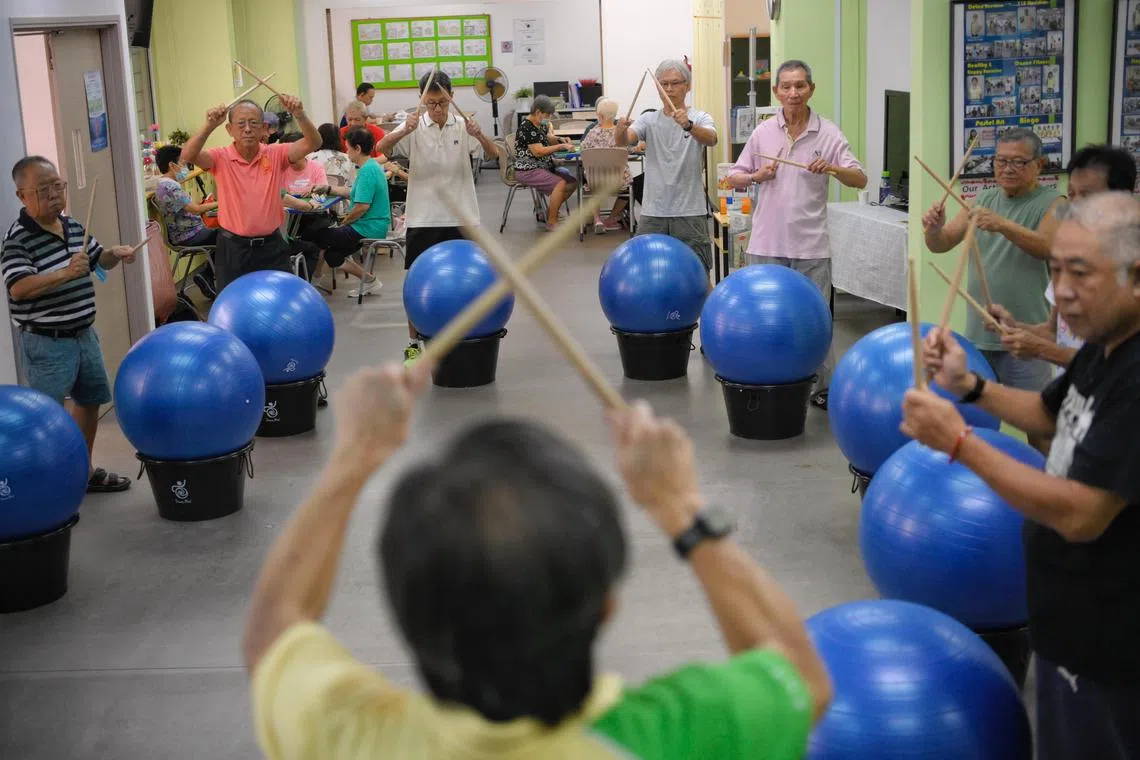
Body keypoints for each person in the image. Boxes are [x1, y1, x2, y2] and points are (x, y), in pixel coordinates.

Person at [242, 362, 832, 760]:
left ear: (407, 619)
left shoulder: (359, 739)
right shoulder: (669, 736)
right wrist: (678, 505)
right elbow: (803, 677)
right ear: (607, 606)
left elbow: (274, 631)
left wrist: (356, 455)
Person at [903, 191, 1140, 760]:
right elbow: (1048, 414)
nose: (1059, 291)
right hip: (1069, 628)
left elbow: (1082, 514)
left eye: (1079, 273)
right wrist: (969, 388)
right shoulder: (1104, 346)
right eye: (1055, 269)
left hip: (1116, 648)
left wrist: (958, 441)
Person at [727, 59, 867, 411]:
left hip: (811, 247)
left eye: (800, 86)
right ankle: (768, 379)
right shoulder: (763, 133)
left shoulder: (829, 133)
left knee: (813, 322)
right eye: (786, 87)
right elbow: (734, 177)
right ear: (776, 91)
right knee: (765, 319)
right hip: (766, 244)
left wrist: (833, 168)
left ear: (811, 89)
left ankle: (819, 388)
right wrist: (758, 176)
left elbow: (860, 178)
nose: (793, 93)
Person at [1, 156, 138, 493]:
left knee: (89, 401)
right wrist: (65, 273)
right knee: (45, 416)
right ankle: (49, 485)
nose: (54, 194)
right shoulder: (18, 238)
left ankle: (83, 470)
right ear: (22, 196)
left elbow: (95, 260)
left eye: (57, 186)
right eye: (43, 189)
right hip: (47, 342)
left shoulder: (73, 225)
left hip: (83, 333)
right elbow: (17, 288)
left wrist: (114, 254)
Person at [921, 128, 1062, 401]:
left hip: (1027, 338)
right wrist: (933, 229)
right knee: (975, 415)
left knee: (1040, 422)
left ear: (1039, 165)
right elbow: (940, 244)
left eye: (1018, 162)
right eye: (1000, 161)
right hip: (978, 335)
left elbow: (1049, 247)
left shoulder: (1054, 203)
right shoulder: (983, 199)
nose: (1007, 169)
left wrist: (1003, 225)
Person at [375, 70, 498, 365]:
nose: (437, 109)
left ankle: (467, 336)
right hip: (423, 217)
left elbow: (493, 155)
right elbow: (381, 148)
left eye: (442, 102)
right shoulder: (414, 125)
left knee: (467, 282)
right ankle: (413, 345)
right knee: (416, 284)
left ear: (452, 97)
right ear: (422, 100)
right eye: (431, 103)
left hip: (463, 217)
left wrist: (479, 133)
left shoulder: (462, 126)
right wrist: (404, 129)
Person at [990, 145, 1137, 375]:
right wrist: (1013, 327)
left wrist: (1041, 350)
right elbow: (1054, 331)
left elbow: (1114, 364)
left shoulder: (1131, 272)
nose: (1074, 205)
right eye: (1072, 194)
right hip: (1072, 397)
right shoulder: (1073, 256)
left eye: (1087, 195)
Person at [179, 96, 320, 292]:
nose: (247, 129)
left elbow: (314, 142)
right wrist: (209, 125)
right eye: (241, 124)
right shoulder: (220, 157)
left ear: (264, 128)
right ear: (229, 129)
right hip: (233, 248)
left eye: (253, 123)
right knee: (233, 306)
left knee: (280, 302)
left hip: (272, 246)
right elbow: (187, 156)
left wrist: (300, 115)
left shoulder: (276, 153)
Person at [616, 59, 718, 271]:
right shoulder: (649, 120)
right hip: (654, 210)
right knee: (646, 270)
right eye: (664, 84)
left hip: (690, 210)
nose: (669, 89)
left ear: (687, 86)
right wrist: (619, 130)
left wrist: (689, 125)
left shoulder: (699, 116)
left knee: (697, 271)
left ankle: (703, 306)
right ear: (658, 87)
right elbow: (625, 140)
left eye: (675, 83)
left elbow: (712, 139)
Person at [311, 127, 389, 299]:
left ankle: (312, 280)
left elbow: (362, 207)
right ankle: (370, 280)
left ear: (358, 149)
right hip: (371, 225)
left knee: (317, 236)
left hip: (367, 227)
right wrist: (329, 188)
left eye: (348, 147)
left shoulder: (367, 170)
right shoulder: (371, 166)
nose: (346, 151)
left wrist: (344, 222)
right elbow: (352, 192)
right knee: (333, 256)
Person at [153, 145, 220, 299]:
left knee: (224, 234)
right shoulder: (168, 187)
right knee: (227, 235)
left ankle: (207, 275)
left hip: (190, 231)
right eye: (183, 163)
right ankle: (208, 275)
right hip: (187, 236)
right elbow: (195, 209)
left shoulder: (166, 185)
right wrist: (221, 203)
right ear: (171, 165)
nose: (186, 168)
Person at [514, 95, 578, 232]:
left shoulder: (538, 125)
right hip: (528, 170)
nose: (548, 118)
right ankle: (552, 222)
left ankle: (549, 213)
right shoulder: (527, 127)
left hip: (542, 166)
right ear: (538, 112)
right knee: (560, 183)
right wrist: (561, 147)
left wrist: (561, 140)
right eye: (547, 115)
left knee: (572, 183)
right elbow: (538, 152)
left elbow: (547, 138)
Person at [580, 97, 640, 234]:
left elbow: (583, 149)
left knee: (593, 190)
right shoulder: (620, 134)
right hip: (618, 182)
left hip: (595, 181)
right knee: (630, 186)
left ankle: (597, 219)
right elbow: (631, 149)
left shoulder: (592, 133)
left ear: (599, 115)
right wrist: (639, 146)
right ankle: (611, 218)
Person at [308, 123, 356, 188]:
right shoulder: (349, 158)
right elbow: (352, 185)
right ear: (338, 138)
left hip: (315, 195)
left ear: (319, 137)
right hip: (341, 196)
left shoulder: (309, 158)